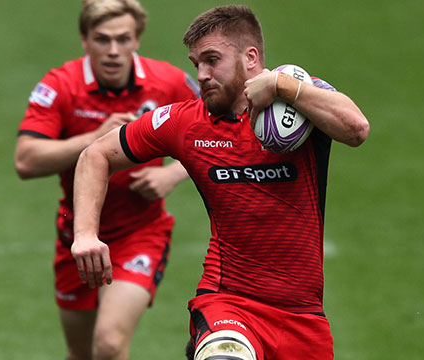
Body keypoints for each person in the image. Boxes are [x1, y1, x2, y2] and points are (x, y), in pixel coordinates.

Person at [71, 4, 369, 360]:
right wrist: (86, 234)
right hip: (228, 303)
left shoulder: (302, 107)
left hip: (303, 317)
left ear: (251, 57)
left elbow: (356, 129)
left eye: (212, 60)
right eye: (196, 63)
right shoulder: (184, 122)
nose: (202, 74)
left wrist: (280, 84)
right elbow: (95, 155)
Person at [14, 0, 199, 359]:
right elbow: (25, 160)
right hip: (77, 238)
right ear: (84, 40)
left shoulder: (169, 83)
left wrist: (172, 173)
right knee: (81, 353)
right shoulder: (61, 85)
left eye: (123, 39)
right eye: (102, 39)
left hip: (140, 233)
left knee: (109, 344)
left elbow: (218, 137)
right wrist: (93, 139)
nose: (113, 51)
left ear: (137, 40)